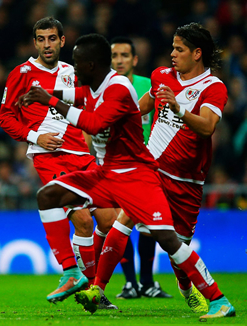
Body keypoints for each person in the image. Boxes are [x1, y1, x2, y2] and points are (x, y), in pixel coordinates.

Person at [22, 33, 235, 320]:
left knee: (174, 245)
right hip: (147, 168)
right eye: (172, 47)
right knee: (116, 222)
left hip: (185, 181)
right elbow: (140, 107)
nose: (172, 53)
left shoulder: (213, 87)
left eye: (179, 49)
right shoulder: (161, 76)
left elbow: (208, 127)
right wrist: (122, 120)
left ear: (197, 53)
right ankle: (94, 285)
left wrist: (177, 108)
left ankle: (198, 291)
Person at [0, 17, 117, 307]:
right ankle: (72, 272)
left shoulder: (73, 72)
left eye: (52, 38)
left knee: (107, 220)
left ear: (62, 41)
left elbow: (88, 107)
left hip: (83, 154)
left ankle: (90, 286)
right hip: (49, 158)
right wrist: (35, 137)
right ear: (35, 42)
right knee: (81, 218)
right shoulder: (22, 73)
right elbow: (6, 116)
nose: (47, 44)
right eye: (41, 39)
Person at [110, 36, 171, 299]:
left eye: (124, 55)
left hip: (146, 164)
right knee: (118, 222)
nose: (119, 60)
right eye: (114, 56)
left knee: (148, 225)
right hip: (115, 165)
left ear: (135, 60)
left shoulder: (149, 86)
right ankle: (129, 283)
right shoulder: (103, 89)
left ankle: (146, 282)